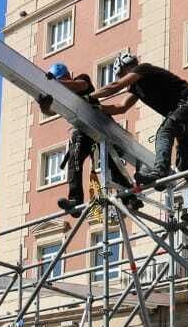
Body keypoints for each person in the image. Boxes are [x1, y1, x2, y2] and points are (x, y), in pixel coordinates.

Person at [92, 51, 188, 222]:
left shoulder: (143, 69)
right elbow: (121, 107)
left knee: (165, 131)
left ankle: (160, 171)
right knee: (184, 162)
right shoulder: (137, 88)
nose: (123, 79)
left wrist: (90, 97)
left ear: (126, 68)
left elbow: (115, 86)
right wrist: (98, 108)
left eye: (121, 74)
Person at [39, 63, 142, 219]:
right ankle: (75, 201)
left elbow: (79, 86)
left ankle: (129, 197)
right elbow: (50, 110)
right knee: (75, 160)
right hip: (82, 130)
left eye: (62, 80)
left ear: (66, 77)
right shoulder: (62, 96)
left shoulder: (81, 80)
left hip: (101, 124)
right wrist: (44, 106)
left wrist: (55, 84)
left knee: (111, 163)